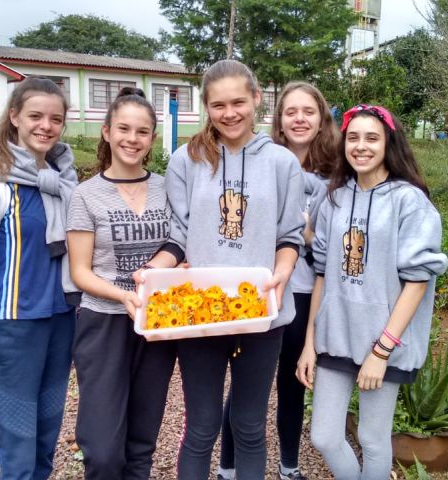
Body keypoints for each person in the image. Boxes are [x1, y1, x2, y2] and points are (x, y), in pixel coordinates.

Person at [136, 59, 305, 480]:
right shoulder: (186, 160)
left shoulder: (283, 163)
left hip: (262, 314)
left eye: (237, 102)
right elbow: (177, 236)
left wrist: (282, 272)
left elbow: (290, 236)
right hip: (200, 316)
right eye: (218, 105)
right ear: (206, 107)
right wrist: (152, 271)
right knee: (202, 426)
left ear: (256, 99)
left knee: (249, 427)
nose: (229, 113)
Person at [296, 104, 448, 479]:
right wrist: (309, 343)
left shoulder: (408, 202)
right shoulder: (333, 199)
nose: (360, 146)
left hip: (384, 343)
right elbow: (322, 275)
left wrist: (382, 350)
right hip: (337, 336)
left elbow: (418, 281)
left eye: (371, 138)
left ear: (388, 144)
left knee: (373, 438)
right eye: (353, 138)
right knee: (325, 436)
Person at [0, 77, 79, 479]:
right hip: (15, 324)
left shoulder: (64, 184)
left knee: (48, 421)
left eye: (55, 119)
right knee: (16, 427)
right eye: (36, 116)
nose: (46, 126)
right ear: (14, 117)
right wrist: (9, 308)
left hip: (61, 318)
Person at [218, 81, 339, 480]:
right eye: (291, 112)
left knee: (293, 382)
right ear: (279, 121)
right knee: (245, 385)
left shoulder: (336, 176)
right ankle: (228, 466)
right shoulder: (261, 163)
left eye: (308, 111)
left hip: (304, 292)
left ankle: (289, 466)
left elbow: (338, 241)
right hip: (260, 289)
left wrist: (305, 236)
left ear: (322, 119)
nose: (300, 119)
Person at [66, 87, 177, 480]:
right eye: (124, 129)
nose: (133, 139)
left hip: (159, 323)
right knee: (102, 446)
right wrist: (125, 296)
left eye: (142, 131)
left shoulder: (169, 187)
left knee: (143, 440)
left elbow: (182, 244)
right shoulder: (85, 195)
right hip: (105, 322)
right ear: (107, 131)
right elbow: (80, 272)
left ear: (152, 138)